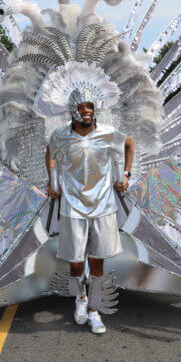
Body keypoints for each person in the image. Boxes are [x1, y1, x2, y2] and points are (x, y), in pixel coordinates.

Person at [45, 89, 135, 334]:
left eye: (90, 107)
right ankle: (80, 299)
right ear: (72, 110)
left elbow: (129, 144)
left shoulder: (107, 133)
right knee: (75, 263)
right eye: (82, 107)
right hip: (72, 206)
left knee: (97, 263)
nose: (87, 111)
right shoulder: (60, 135)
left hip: (103, 206)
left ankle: (95, 310)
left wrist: (126, 175)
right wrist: (52, 180)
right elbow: (50, 152)